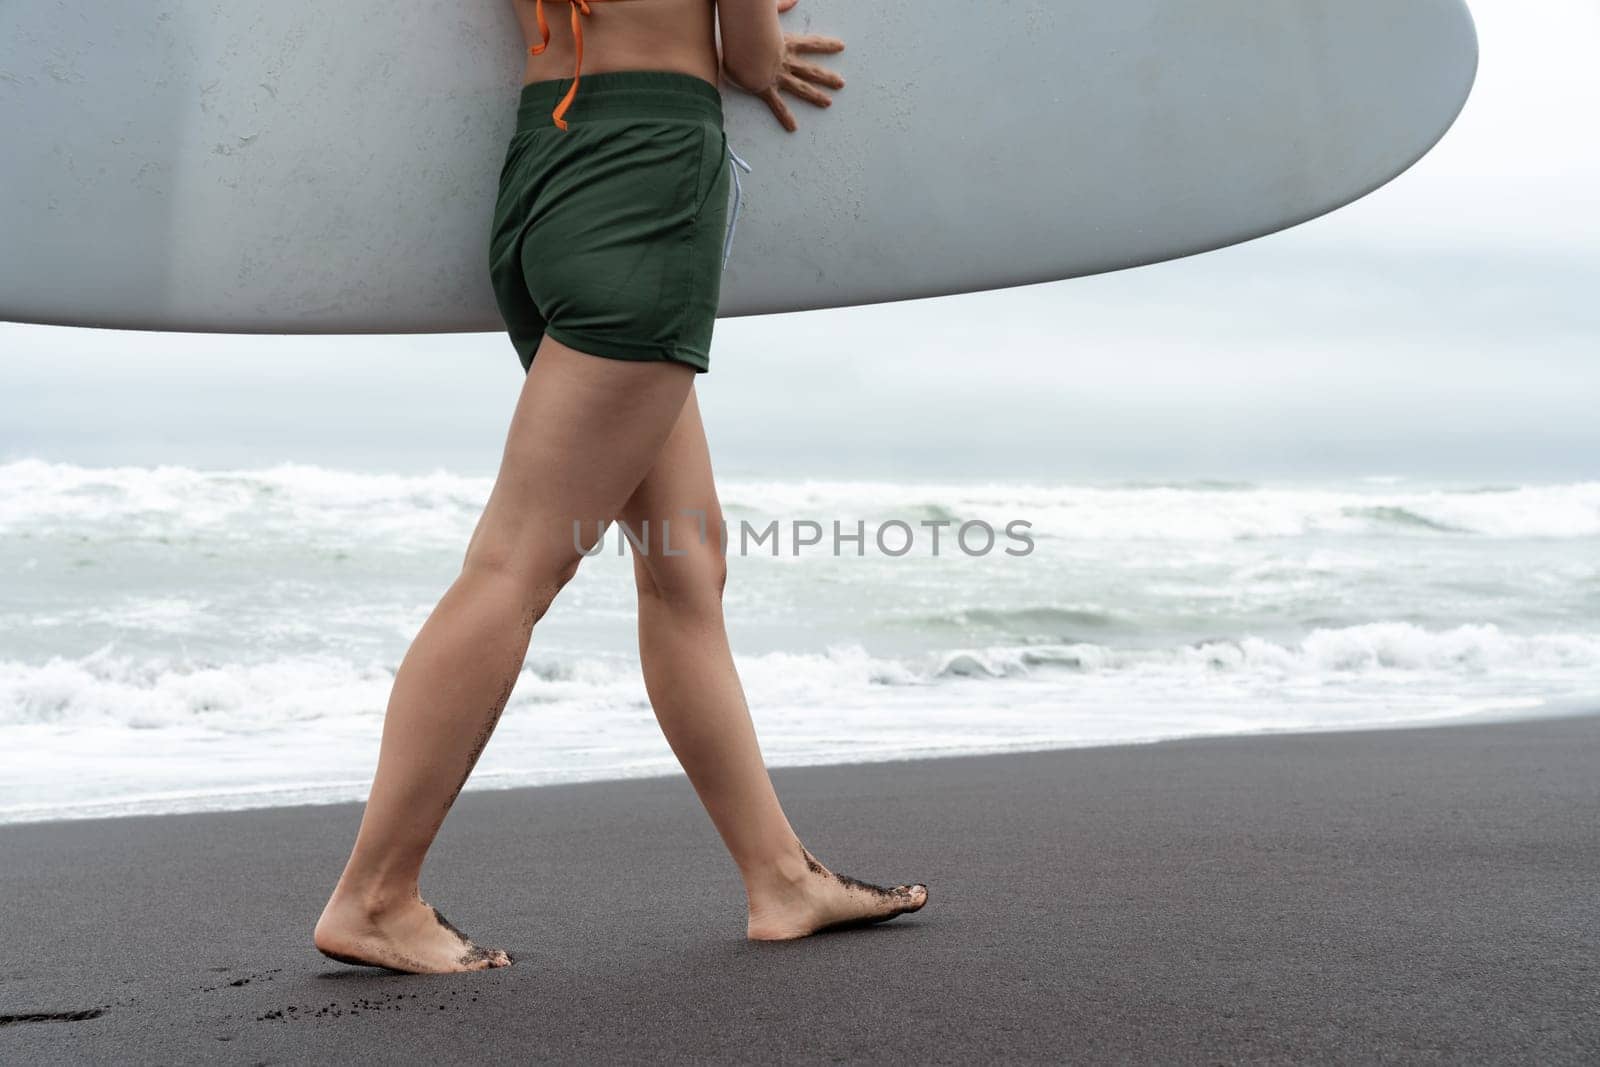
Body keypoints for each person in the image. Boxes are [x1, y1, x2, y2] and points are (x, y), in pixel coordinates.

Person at [313, 0, 927, 974]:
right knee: (515, 566)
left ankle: (782, 876)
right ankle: (377, 893)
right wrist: (759, 36)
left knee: (687, 559)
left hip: (545, 178)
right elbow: (751, 55)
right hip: (649, 185)